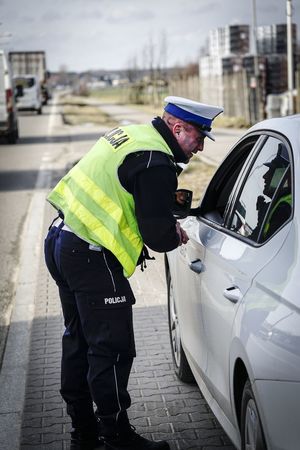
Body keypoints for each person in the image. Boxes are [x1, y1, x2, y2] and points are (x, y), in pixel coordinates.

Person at [44, 96, 223, 450]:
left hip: (61, 241)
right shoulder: (156, 162)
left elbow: (128, 194)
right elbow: (158, 238)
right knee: (111, 350)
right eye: (199, 136)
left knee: (78, 343)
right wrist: (173, 233)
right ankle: (116, 437)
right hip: (91, 257)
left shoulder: (133, 135)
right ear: (178, 128)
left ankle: (84, 434)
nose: (201, 146)